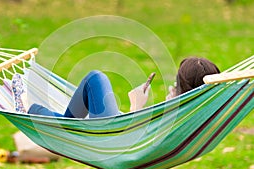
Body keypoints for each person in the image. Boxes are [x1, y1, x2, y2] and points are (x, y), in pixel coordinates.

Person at [12, 57, 220, 118]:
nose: (172, 87)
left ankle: (29, 109)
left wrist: (136, 105)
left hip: (113, 139)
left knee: (95, 78)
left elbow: (134, 142)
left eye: (177, 85)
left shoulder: (178, 116)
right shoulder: (195, 115)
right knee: (69, 123)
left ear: (185, 90)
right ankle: (32, 110)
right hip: (117, 136)